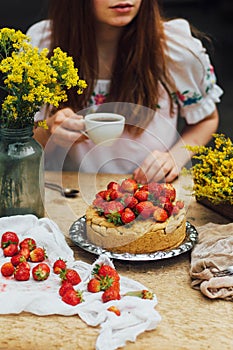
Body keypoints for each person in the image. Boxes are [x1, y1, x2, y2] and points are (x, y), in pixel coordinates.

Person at [27, 0, 222, 183]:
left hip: (150, 191)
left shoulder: (174, 49)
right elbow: (20, 144)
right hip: (68, 191)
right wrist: (49, 130)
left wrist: (173, 158)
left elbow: (206, 120)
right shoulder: (44, 46)